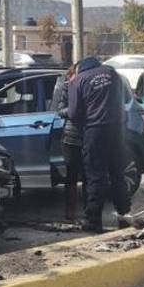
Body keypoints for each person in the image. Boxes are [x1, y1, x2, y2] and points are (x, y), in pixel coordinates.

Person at [68, 55, 131, 232]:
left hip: (95, 131)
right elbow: (126, 100)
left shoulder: (78, 80)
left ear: (79, 67)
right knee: (118, 175)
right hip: (118, 130)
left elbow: (73, 113)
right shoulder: (112, 73)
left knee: (96, 177)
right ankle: (124, 217)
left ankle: (94, 221)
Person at [52, 63, 83, 221]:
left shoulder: (88, 86)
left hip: (90, 137)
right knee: (71, 176)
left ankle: (89, 212)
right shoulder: (68, 87)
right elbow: (60, 109)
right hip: (71, 137)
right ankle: (70, 211)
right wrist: (72, 111)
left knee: (90, 177)